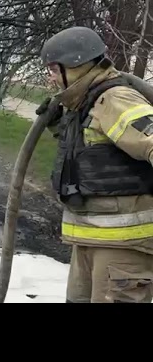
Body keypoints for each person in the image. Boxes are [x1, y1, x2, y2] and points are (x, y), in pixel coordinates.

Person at [37, 26, 153, 303]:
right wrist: (59, 125)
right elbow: (90, 153)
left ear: (75, 66)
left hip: (124, 246)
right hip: (91, 240)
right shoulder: (86, 103)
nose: (51, 78)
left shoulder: (115, 99)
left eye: (54, 70)